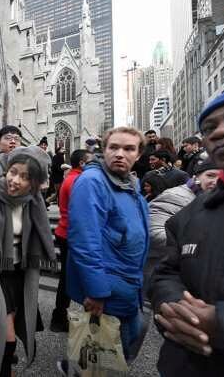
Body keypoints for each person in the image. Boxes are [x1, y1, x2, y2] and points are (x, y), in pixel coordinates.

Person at [150, 92, 224, 376]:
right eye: (209, 128)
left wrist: (220, 323)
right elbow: (164, 274)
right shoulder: (188, 214)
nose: (220, 130)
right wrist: (172, 307)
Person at [0, 146, 56, 377]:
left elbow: (38, 237)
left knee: (6, 334)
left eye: (25, 177)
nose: (15, 180)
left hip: (20, 274)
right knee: (7, 339)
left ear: (34, 184)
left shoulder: (33, 203)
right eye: (13, 172)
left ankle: (1, 369)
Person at [66, 127, 149, 365]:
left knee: (121, 349)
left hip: (129, 282)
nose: (120, 154)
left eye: (128, 148)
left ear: (138, 155)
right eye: (113, 147)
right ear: (104, 150)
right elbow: (84, 240)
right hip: (108, 288)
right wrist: (96, 290)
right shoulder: (92, 182)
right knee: (105, 357)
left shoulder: (131, 185)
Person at [143, 158, 220, 297]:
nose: (215, 181)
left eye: (221, 177)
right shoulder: (175, 197)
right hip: (162, 277)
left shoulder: (215, 200)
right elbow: (154, 233)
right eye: (210, 175)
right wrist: (196, 247)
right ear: (196, 177)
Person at [51, 149, 93, 332]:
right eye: (91, 161)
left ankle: (60, 316)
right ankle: (60, 317)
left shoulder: (72, 178)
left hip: (66, 232)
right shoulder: (78, 181)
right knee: (71, 278)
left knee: (67, 277)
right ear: (82, 163)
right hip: (72, 234)